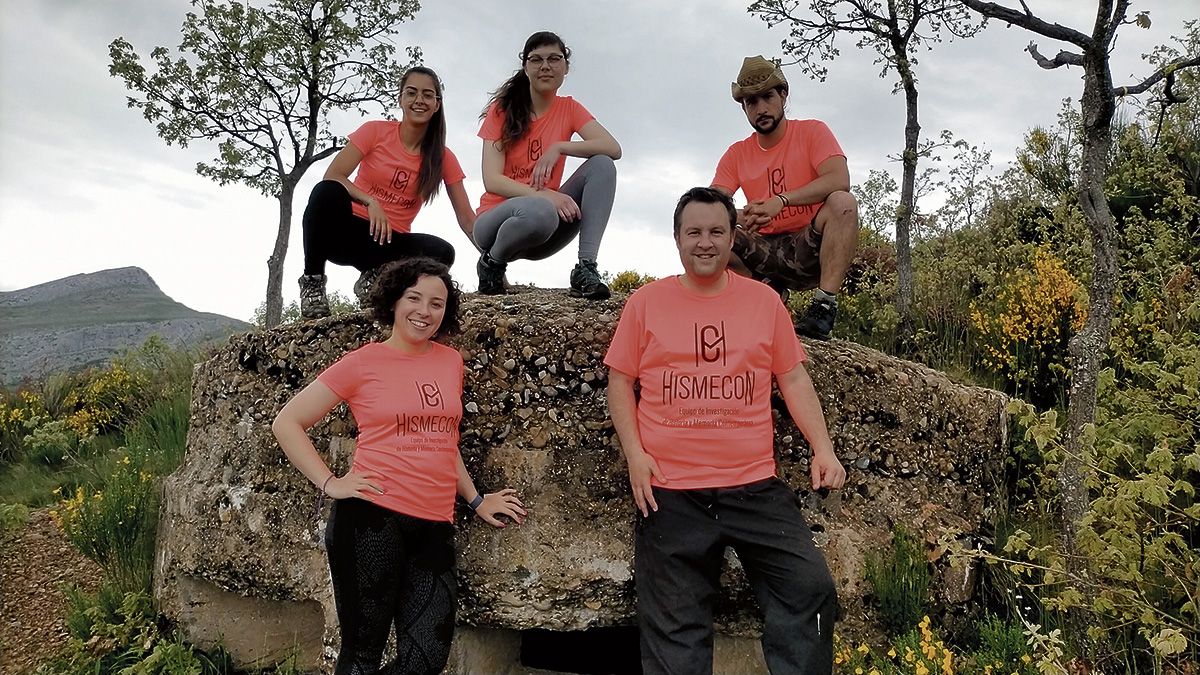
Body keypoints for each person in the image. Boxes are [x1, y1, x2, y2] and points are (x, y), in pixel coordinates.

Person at [604, 187, 846, 674]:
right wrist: (635, 455)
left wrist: (823, 448)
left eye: (717, 231)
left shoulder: (763, 302)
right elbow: (620, 380)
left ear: (733, 238)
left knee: (809, 588)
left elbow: (793, 378)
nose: (705, 242)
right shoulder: (646, 302)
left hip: (753, 486)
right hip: (670, 490)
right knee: (674, 629)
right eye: (693, 232)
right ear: (677, 238)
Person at [273, 257, 526, 674]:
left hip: (434, 523)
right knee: (362, 655)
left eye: (436, 303)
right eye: (414, 298)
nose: (424, 311)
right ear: (393, 301)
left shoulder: (450, 362)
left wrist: (477, 499)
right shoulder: (362, 362)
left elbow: (444, 438)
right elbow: (287, 422)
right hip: (371, 520)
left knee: (426, 659)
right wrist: (330, 483)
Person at [298, 66, 476, 320]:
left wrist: (494, 262)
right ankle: (313, 282)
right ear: (400, 98)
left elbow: (467, 218)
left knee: (442, 252)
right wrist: (370, 201)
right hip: (346, 233)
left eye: (427, 95)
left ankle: (378, 280)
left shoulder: (443, 157)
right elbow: (334, 174)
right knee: (326, 191)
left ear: (437, 104)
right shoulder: (374, 131)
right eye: (411, 93)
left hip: (388, 244)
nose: (419, 100)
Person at [711, 56, 860, 341]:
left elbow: (839, 179)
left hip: (810, 247)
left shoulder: (812, 131)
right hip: (764, 250)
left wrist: (780, 201)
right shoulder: (736, 153)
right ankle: (766, 290)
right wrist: (742, 215)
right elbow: (710, 205)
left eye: (767, 97)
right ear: (743, 107)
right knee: (710, 231)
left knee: (843, 203)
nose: (761, 109)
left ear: (783, 94)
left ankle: (824, 306)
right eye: (751, 102)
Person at [473, 31, 622, 299]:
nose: (545, 66)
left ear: (566, 67)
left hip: (545, 229)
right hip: (495, 224)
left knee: (602, 165)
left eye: (554, 58)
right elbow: (492, 180)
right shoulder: (502, 110)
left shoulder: (569, 108)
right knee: (541, 209)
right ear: (525, 67)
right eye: (536, 59)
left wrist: (560, 147)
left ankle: (586, 268)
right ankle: (491, 264)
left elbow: (613, 148)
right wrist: (545, 195)